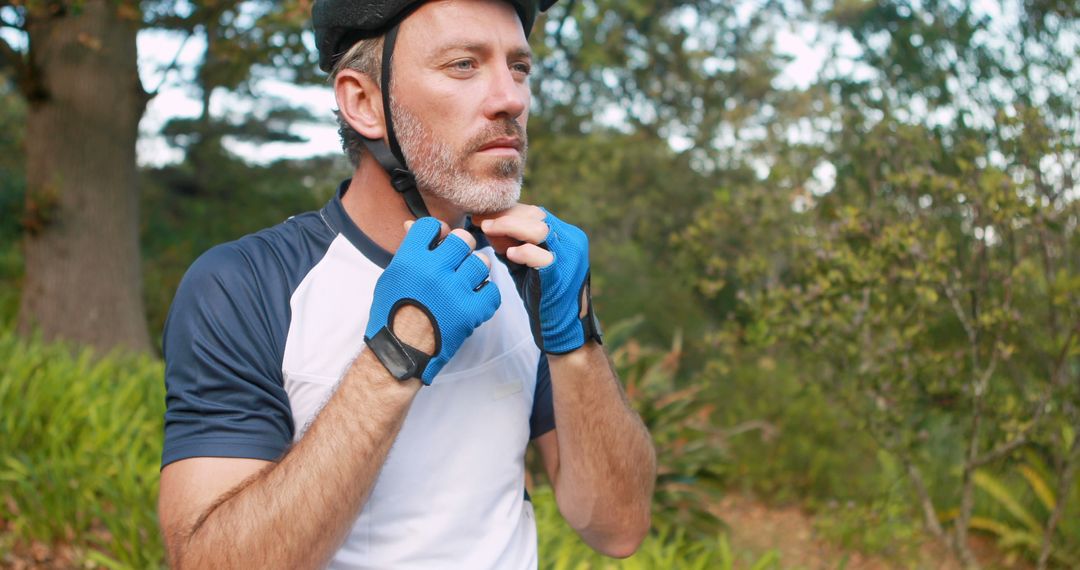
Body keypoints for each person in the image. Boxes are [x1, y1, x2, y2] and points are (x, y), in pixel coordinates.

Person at [156, 0, 656, 568]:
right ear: (364, 102)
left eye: (519, 67)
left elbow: (617, 529)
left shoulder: (527, 271)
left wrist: (576, 335)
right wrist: (392, 357)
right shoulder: (245, 286)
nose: (511, 98)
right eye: (464, 64)